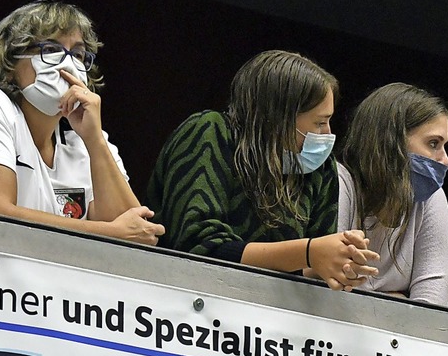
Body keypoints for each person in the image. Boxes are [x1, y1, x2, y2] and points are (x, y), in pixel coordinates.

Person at [146, 49, 379, 291]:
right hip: (177, 304)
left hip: (264, 319)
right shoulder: (211, 133)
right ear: (279, 117)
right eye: (319, 123)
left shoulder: (321, 169)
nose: (328, 134)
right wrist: (309, 252)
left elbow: (305, 268)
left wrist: (338, 263)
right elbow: (198, 244)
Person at [0, 0, 164, 245]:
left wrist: (94, 140)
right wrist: (107, 233)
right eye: (51, 49)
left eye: (77, 54)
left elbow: (136, 235)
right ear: (10, 64)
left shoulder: (87, 135)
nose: (67, 63)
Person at [337, 83, 448, 303]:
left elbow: (431, 310)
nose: (445, 160)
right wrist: (398, 301)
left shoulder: (431, 198)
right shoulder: (341, 182)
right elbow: (327, 293)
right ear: (390, 142)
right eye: (433, 143)